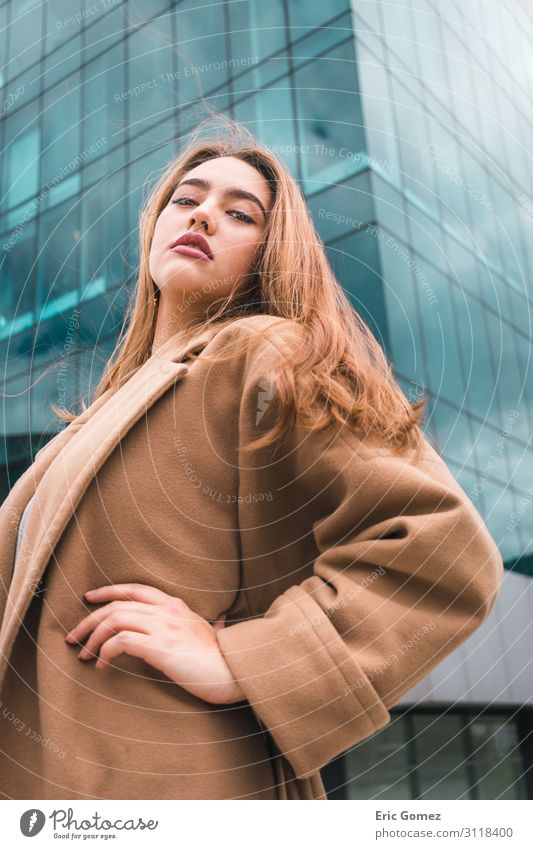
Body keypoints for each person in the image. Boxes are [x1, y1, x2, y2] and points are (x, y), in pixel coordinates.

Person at [0, 116, 504, 800]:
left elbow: (441, 548)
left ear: (273, 251)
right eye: (186, 199)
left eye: (239, 213)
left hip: (174, 789)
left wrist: (243, 659)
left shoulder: (264, 349)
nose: (204, 215)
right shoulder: (94, 419)